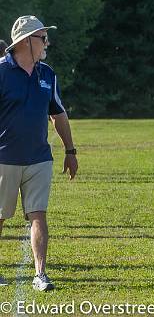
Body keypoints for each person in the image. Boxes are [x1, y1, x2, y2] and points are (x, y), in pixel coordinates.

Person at [0, 15, 78, 291]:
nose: (47, 42)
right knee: (0, 215)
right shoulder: (1, 72)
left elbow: (58, 114)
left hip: (39, 158)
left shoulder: (48, 74)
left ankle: (40, 274)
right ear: (24, 42)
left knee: (39, 214)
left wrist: (70, 150)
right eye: (42, 37)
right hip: (3, 158)